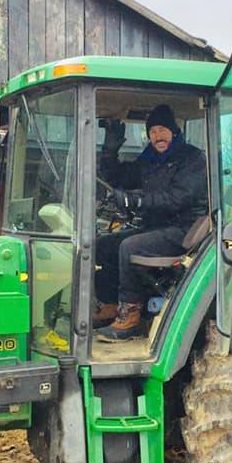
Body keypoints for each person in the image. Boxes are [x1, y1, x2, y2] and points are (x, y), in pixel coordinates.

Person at [93, 104, 207, 341]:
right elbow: (117, 177)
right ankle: (111, 305)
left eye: (162, 129)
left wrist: (136, 200)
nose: (157, 136)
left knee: (129, 247)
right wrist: (110, 150)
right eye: (153, 131)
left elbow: (178, 198)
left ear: (174, 132)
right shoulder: (150, 160)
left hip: (184, 229)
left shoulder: (192, 158)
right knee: (102, 245)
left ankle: (130, 315)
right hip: (155, 226)